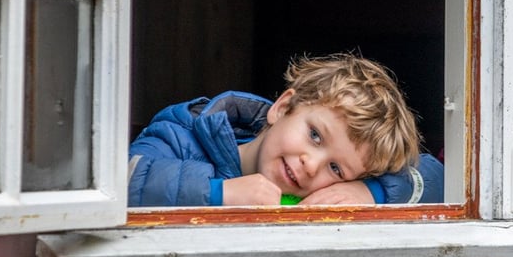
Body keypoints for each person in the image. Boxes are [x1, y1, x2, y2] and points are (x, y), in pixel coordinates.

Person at [128, 53, 444, 207]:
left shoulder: (309, 197)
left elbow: (439, 179)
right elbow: (123, 180)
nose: (312, 164)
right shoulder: (184, 135)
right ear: (282, 107)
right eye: (315, 135)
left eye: (335, 168)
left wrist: (369, 192)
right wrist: (221, 193)